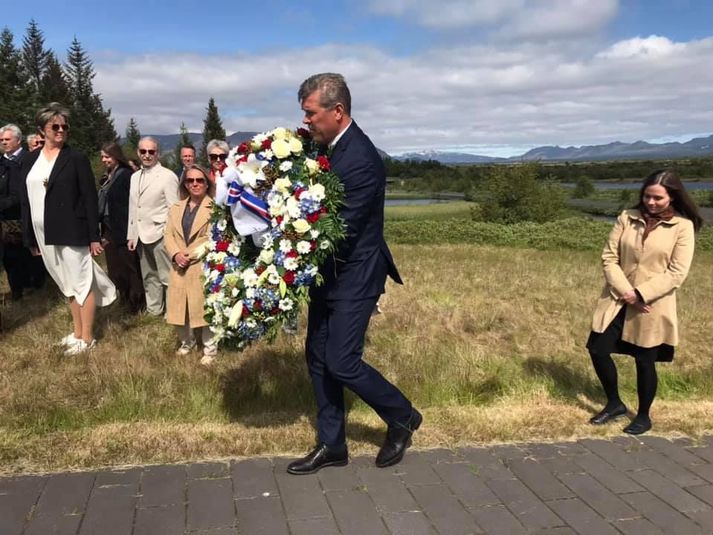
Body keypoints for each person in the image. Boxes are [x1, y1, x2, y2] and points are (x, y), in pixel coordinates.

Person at [287, 73, 420, 475]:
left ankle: (402, 416)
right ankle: (333, 445)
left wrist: (285, 247)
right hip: (327, 272)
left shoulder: (361, 160)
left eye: (311, 113)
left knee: (342, 362)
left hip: (357, 273)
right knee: (317, 356)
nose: (307, 121)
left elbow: (340, 228)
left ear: (338, 111)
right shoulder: (324, 147)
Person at [587, 169, 703, 435]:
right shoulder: (627, 217)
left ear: (672, 198)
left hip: (652, 304)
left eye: (658, 198)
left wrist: (640, 294)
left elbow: (677, 272)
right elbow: (609, 257)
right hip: (617, 298)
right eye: (647, 196)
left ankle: (643, 415)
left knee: (644, 360)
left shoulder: (682, 227)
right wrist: (627, 292)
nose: (651, 202)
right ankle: (614, 403)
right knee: (598, 348)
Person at [19, 103, 116, 355]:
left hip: (72, 229)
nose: (61, 130)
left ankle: (87, 337)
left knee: (82, 282)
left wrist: (94, 236)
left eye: (64, 126)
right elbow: (25, 200)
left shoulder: (75, 158)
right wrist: (29, 236)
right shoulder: (30, 160)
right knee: (66, 283)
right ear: (42, 130)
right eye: (55, 126)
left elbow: (89, 198)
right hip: (43, 233)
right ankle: (76, 333)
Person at [163, 165, 217, 365]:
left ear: (206, 183)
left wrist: (189, 254)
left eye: (199, 180)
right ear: (185, 184)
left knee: (202, 307)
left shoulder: (214, 208)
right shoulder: (176, 208)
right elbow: (168, 234)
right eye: (190, 180)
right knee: (178, 307)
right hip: (178, 265)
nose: (195, 184)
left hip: (200, 264)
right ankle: (187, 342)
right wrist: (176, 254)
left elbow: (212, 238)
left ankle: (210, 349)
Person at [127, 137, 179, 315]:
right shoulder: (134, 177)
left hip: (160, 233)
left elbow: (174, 208)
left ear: (158, 153)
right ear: (138, 153)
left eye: (151, 152)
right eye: (143, 152)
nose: (147, 155)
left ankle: (172, 310)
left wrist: (170, 235)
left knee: (167, 275)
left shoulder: (168, 176)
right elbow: (134, 208)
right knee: (149, 275)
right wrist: (131, 235)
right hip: (141, 234)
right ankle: (154, 309)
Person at [98, 142, 145, 313]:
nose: (104, 160)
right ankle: (123, 297)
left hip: (124, 227)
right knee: (115, 267)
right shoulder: (108, 176)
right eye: (102, 156)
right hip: (109, 228)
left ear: (116, 156)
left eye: (107, 156)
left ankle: (137, 301)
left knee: (130, 266)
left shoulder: (125, 175)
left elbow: (132, 202)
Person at [1, 124, 45, 300]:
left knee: (28, 253)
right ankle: (16, 290)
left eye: (7, 139)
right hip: (4, 218)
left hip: (23, 215)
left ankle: (36, 287)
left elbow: (24, 191)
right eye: (1, 140)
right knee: (9, 256)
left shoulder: (28, 160)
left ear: (18, 140)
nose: (4, 142)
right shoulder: (1, 163)